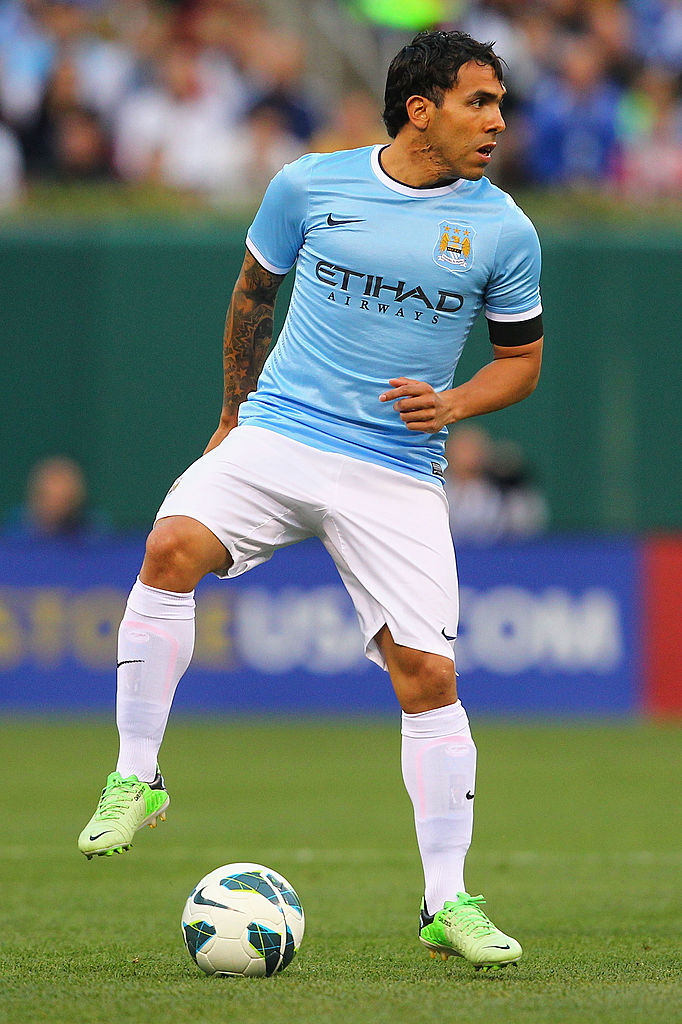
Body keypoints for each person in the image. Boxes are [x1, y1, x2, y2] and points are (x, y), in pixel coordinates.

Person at [78, 29, 543, 972]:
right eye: (480, 101)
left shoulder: (504, 230)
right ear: (421, 109)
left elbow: (522, 361)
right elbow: (254, 295)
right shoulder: (307, 185)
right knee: (169, 549)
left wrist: (454, 403)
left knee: (430, 678)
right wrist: (231, 415)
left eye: (500, 103)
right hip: (282, 431)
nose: (498, 121)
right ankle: (137, 776)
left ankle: (446, 903)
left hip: (396, 469)